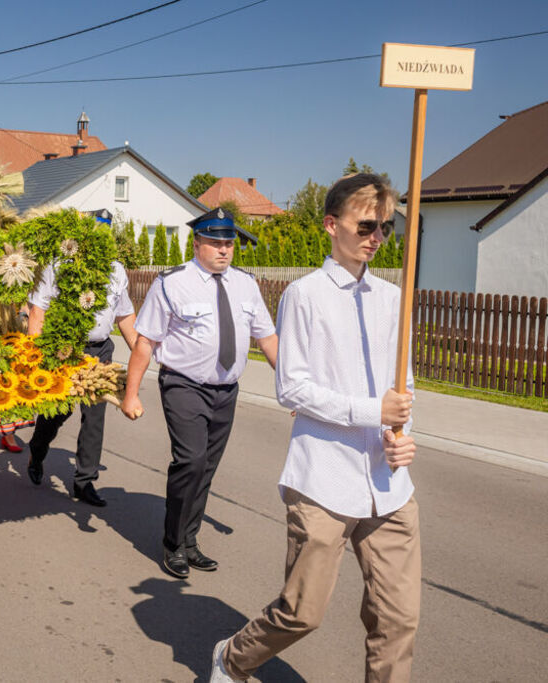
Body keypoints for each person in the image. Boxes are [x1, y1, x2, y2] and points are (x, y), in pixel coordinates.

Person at [208, 175, 419, 683]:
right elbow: (292, 389)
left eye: (385, 228)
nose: (376, 236)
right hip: (324, 480)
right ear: (331, 225)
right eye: (365, 224)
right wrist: (373, 413)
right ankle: (232, 658)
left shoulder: (394, 298)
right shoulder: (304, 296)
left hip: (389, 486)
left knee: (398, 620)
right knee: (303, 612)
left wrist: (405, 434)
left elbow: (403, 383)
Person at [122, 208, 278, 578]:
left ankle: (190, 542)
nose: (225, 250)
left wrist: (293, 389)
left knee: (206, 468)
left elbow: (267, 338)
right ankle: (173, 544)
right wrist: (132, 393)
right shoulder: (171, 282)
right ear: (197, 243)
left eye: (230, 243)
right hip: (183, 385)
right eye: (216, 243)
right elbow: (146, 342)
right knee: (190, 461)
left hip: (227, 389)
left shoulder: (246, 284)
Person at [26, 210, 138, 507]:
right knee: (58, 412)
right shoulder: (58, 265)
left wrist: (142, 351)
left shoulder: (116, 270)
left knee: (95, 417)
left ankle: (84, 481)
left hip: (101, 350)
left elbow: (125, 316)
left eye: (104, 234)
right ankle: (37, 451)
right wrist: (35, 357)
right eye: (94, 233)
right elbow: (38, 311)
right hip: (66, 349)